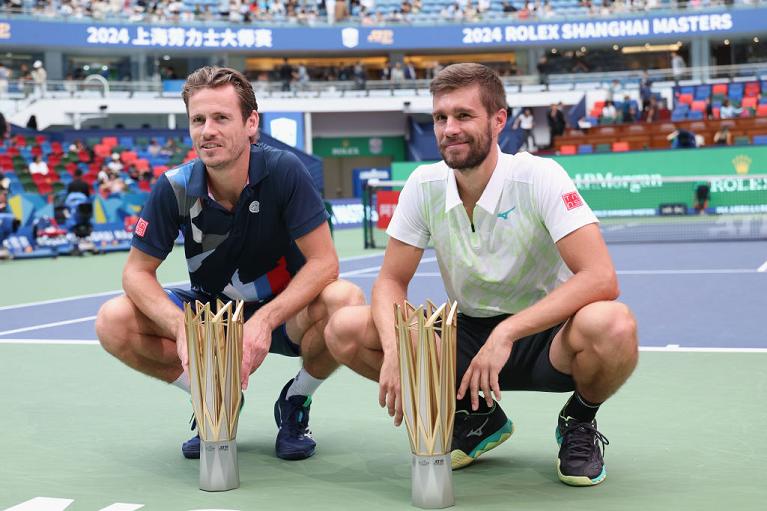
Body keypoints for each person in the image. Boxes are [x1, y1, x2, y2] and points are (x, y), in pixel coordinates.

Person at [324, 63, 638, 488]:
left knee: (614, 324)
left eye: (464, 116)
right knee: (345, 329)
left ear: (498, 120)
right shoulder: (424, 184)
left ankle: (579, 419)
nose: (449, 128)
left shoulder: (539, 176)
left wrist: (506, 333)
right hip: (466, 337)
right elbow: (390, 282)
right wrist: (395, 345)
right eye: (440, 118)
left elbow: (601, 277)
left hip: (550, 336)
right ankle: (476, 418)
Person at [94, 66, 365, 462]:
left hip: (285, 315)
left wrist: (263, 321)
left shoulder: (284, 172)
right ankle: (213, 398)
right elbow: (135, 273)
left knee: (346, 299)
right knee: (112, 320)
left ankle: (295, 400)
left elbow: (325, 264)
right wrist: (180, 327)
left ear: (251, 123)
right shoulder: (174, 188)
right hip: (212, 317)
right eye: (198, 120)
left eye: (221, 118)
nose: (208, 131)